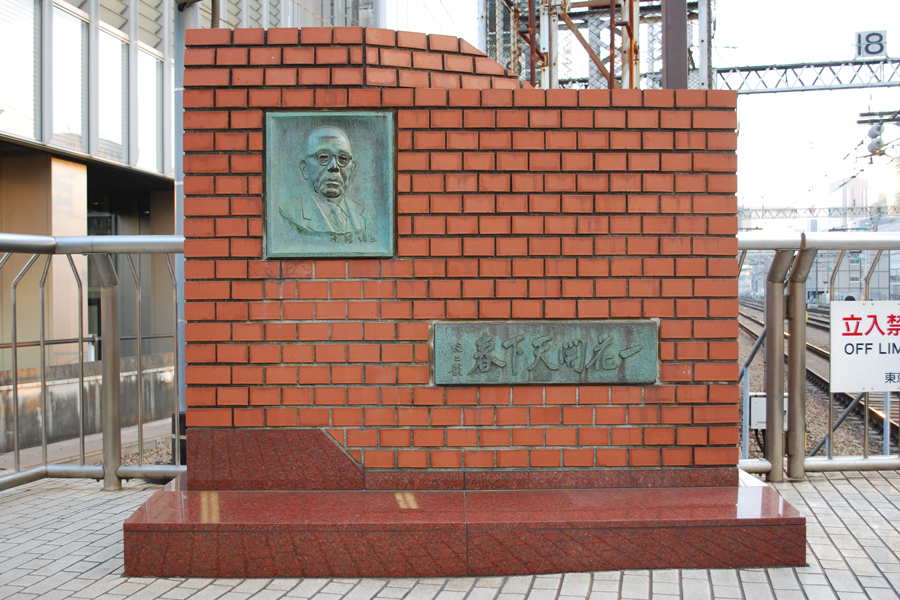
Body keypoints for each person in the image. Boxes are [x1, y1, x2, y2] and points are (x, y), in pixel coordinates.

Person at [278, 126, 372, 235]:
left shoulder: (367, 216)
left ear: (352, 169)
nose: (333, 166)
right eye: (323, 157)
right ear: (305, 169)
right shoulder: (288, 213)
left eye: (342, 158)